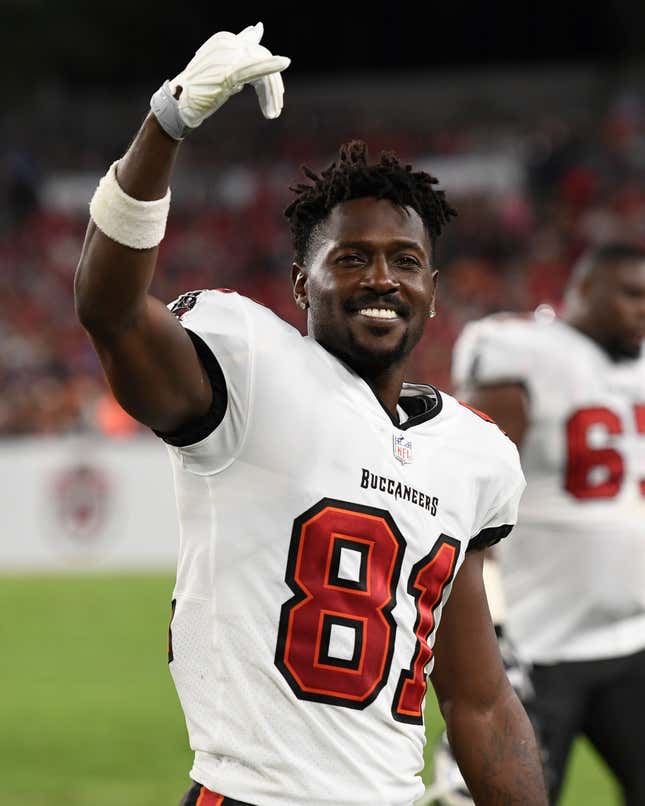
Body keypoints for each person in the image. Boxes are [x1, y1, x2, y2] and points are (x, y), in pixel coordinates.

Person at [74, 23, 547, 806]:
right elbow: (111, 310)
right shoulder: (248, 366)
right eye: (350, 258)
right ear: (300, 283)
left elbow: (478, 699)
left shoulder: (475, 455)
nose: (380, 279)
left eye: (404, 261)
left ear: (433, 286)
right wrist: (166, 123)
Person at [442, 243, 645, 806]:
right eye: (630, 294)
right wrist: (488, 618)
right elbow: (468, 489)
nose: (643, 309)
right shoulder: (525, 350)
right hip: (538, 646)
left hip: (631, 640)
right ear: (580, 292)